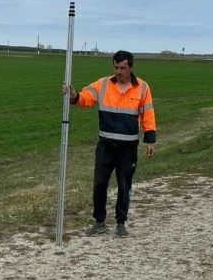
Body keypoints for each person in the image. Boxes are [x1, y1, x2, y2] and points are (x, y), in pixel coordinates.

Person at [64, 50, 156, 237]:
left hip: (128, 147)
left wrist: (150, 139)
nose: (119, 71)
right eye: (116, 67)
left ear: (131, 67)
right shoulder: (103, 84)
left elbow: (148, 113)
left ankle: (120, 222)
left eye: (123, 68)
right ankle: (99, 222)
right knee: (99, 184)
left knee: (124, 185)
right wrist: (74, 96)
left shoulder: (143, 87)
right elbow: (85, 99)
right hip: (105, 145)